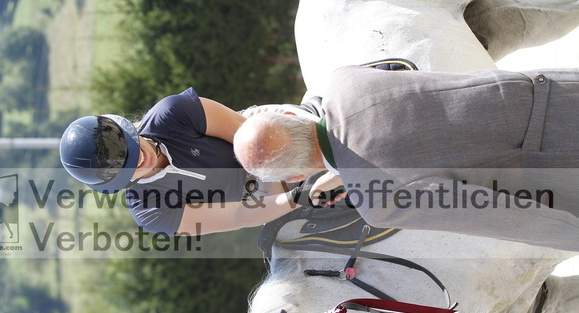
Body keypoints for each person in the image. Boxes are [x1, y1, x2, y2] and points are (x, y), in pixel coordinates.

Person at [233, 65, 579, 252]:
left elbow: (506, 217)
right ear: (290, 116)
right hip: (560, 90)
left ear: (295, 177)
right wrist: (345, 171)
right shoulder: (345, 80)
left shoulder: (378, 203)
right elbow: (400, 127)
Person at [59, 88, 324, 236]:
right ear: (117, 181)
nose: (138, 157)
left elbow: (255, 140)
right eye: (125, 165)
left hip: (261, 138)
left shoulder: (173, 111)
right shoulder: (151, 213)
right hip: (259, 200)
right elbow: (239, 215)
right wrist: (299, 198)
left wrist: (299, 185)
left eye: (128, 145)